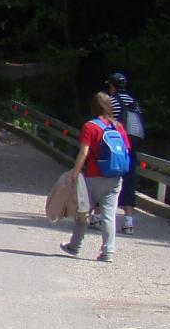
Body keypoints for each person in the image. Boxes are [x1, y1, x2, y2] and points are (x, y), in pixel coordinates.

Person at [61, 92, 130, 262]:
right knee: (109, 215)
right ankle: (108, 252)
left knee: (84, 211)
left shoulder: (90, 126)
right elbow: (126, 150)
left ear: (93, 107)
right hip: (114, 177)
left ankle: (75, 246)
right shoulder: (118, 127)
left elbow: (84, 152)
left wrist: (74, 173)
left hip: (93, 176)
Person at [107, 71, 145, 233]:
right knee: (129, 181)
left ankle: (98, 216)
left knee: (106, 177)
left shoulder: (111, 101)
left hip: (115, 145)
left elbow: (105, 122)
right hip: (131, 147)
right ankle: (128, 221)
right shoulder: (134, 102)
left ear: (112, 86)